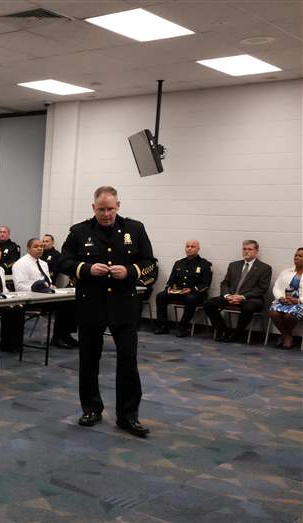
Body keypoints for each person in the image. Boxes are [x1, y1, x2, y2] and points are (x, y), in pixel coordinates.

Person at [59, 185, 156, 437]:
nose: (106, 214)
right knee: (89, 360)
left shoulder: (135, 229)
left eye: (110, 209)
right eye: (101, 209)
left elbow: (150, 264)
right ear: (93, 208)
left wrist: (131, 272)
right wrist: (86, 268)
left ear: (118, 206)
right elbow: (63, 261)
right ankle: (91, 408)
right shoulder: (79, 231)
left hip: (124, 306)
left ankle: (127, 416)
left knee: (128, 361)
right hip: (91, 305)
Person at [12, 238, 78, 349]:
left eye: (41, 246)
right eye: (36, 246)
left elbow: (48, 283)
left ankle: (65, 335)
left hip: (46, 296)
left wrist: (53, 288)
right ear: (28, 248)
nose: (39, 249)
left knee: (71, 301)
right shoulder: (20, 264)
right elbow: (19, 287)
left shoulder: (43, 263)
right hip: (31, 298)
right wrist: (37, 288)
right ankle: (58, 338)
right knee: (64, 305)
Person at [203, 240, 272, 343]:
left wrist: (241, 297)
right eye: (244, 249)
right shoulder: (234, 265)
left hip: (251, 299)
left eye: (250, 249)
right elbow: (225, 283)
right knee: (208, 303)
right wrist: (227, 295)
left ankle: (236, 334)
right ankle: (223, 330)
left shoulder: (264, 268)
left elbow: (262, 288)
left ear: (256, 251)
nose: (246, 252)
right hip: (231, 296)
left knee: (248, 308)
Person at [153, 240, 212, 337]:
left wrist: (191, 290)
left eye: (192, 246)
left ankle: (182, 327)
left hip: (196, 294)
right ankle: (163, 326)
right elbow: (171, 280)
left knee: (190, 298)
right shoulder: (179, 263)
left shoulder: (204, 264)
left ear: (198, 249)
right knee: (161, 296)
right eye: (187, 246)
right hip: (179, 292)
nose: (189, 248)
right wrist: (169, 287)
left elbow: (205, 284)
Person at [268, 247, 303, 349]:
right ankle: (287, 336)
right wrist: (281, 298)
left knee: (289, 315)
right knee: (273, 312)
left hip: (300, 303)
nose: (297, 257)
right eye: (296, 255)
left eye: (300, 256)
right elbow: (276, 287)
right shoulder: (286, 272)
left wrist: (298, 300)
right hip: (284, 301)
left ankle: (286, 337)